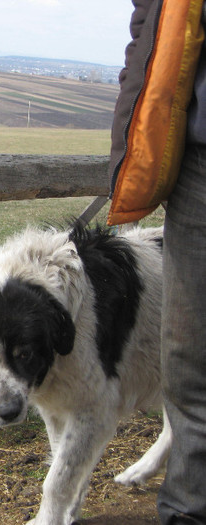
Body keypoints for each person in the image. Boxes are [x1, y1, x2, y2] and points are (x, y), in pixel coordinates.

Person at [108, 1, 206, 523]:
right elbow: (151, 20)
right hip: (200, 162)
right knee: (189, 362)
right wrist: (133, 123)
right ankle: (187, 512)